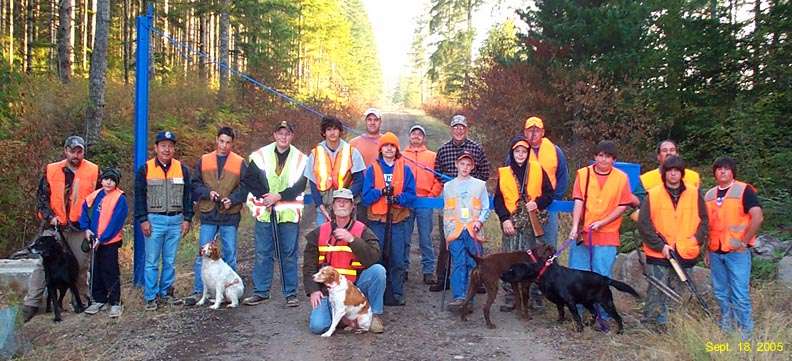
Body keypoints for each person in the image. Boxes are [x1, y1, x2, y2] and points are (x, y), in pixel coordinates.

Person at [228, 121, 308, 307]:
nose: (283, 137)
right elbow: (249, 180)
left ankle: (290, 293)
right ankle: (261, 291)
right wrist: (265, 197)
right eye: (280, 134)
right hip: (265, 212)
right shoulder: (261, 155)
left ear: (292, 136)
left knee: (288, 254)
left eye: (287, 134)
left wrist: (278, 196)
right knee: (263, 253)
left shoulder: (300, 158)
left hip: (288, 213)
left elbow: (300, 186)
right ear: (274, 135)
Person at [23, 135, 99, 322]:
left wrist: (93, 226)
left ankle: (80, 301)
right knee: (44, 265)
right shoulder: (51, 170)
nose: (76, 154)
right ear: (65, 150)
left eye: (79, 151)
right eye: (72, 151)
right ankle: (31, 304)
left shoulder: (93, 171)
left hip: (80, 227)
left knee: (81, 265)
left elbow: (100, 200)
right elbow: (41, 198)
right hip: (55, 226)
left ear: (83, 152)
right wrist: (51, 216)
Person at [568, 140, 638, 319]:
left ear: (613, 159)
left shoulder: (621, 178)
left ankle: (604, 314)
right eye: (600, 155)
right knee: (577, 272)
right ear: (595, 157)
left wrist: (603, 222)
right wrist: (575, 226)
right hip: (583, 233)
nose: (603, 160)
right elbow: (578, 201)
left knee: (601, 274)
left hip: (607, 234)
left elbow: (622, 205)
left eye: (607, 156)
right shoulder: (583, 174)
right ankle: (580, 311)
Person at [637, 155, 708, 331]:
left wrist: (696, 239)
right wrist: (661, 246)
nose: (673, 174)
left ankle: (677, 327)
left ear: (682, 173)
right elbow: (644, 224)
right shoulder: (653, 194)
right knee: (656, 291)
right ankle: (649, 326)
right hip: (659, 253)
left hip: (686, 251)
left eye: (677, 171)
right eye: (670, 171)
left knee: (682, 292)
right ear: (665, 174)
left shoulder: (694, 193)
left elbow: (705, 220)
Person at [303, 188, 386, 334]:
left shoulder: (363, 230)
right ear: (332, 206)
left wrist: (352, 240)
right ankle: (344, 317)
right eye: (338, 202)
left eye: (346, 202)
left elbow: (373, 257)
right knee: (317, 327)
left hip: (355, 286)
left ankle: (374, 315)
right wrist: (313, 290)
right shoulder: (320, 232)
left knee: (378, 271)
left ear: (352, 207)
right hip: (329, 291)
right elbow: (309, 265)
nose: (342, 205)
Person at [184, 126, 247, 306]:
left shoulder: (240, 162)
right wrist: (208, 193)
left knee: (229, 253)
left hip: (230, 213)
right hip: (209, 211)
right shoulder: (204, 160)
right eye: (221, 141)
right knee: (203, 253)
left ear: (232, 143)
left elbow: (245, 187)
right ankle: (199, 291)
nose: (224, 146)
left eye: (228, 142)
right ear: (216, 140)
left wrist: (233, 199)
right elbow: (195, 183)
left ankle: (229, 289)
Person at [704, 156, 763, 340]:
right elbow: (708, 225)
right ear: (714, 172)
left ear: (733, 172)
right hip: (715, 251)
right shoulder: (709, 195)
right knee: (721, 292)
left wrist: (744, 243)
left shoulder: (744, 190)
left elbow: (757, 217)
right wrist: (707, 249)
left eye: (727, 168)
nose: (723, 171)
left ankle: (745, 331)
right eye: (719, 168)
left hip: (736, 252)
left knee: (740, 293)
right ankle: (726, 325)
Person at [134, 130, 194, 311]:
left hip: (175, 220)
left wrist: (187, 219)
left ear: (174, 148)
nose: (166, 150)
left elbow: (188, 196)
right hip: (154, 221)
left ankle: (166, 292)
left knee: (170, 260)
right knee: (152, 261)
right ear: (156, 148)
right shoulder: (145, 169)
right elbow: (139, 197)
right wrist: (143, 219)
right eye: (163, 146)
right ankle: (151, 297)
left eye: (170, 146)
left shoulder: (182, 169)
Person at [430, 115, 490, 292]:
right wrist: (453, 186)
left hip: (472, 208)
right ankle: (444, 279)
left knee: (474, 248)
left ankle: (476, 282)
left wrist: (469, 185)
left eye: (462, 127)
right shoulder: (443, 150)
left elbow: (485, 172)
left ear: (466, 129)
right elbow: (437, 172)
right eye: (455, 127)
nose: (459, 130)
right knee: (447, 243)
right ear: (451, 129)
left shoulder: (476, 148)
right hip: (451, 201)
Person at [494, 136, 553, 312]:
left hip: (531, 224)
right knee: (508, 260)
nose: (520, 155)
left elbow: (550, 193)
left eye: (524, 151)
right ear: (512, 153)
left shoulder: (537, 169)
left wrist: (537, 203)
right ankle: (511, 297)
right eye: (517, 151)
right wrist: (504, 219)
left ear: (528, 153)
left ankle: (534, 297)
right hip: (511, 223)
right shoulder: (504, 172)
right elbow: (498, 200)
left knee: (534, 260)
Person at [362, 132, 417, 306]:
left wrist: (397, 199)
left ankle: (397, 292)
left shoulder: (405, 169)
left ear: (396, 149)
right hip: (377, 221)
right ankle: (376, 292)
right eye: (386, 145)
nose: (389, 148)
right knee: (376, 258)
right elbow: (365, 197)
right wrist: (381, 193)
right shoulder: (373, 169)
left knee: (397, 259)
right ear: (381, 149)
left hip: (398, 221)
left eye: (392, 146)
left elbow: (411, 195)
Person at [442, 152, 491, 312]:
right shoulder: (448, 187)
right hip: (455, 232)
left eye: (468, 165)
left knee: (472, 264)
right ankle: (459, 297)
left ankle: (469, 299)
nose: (465, 167)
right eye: (462, 164)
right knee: (458, 263)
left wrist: (480, 221)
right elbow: (446, 212)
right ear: (456, 165)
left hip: (473, 231)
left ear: (472, 167)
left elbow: (486, 207)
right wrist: (447, 236)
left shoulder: (480, 185)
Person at [79, 167, 129, 318]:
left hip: (110, 241)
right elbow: (84, 213)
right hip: (93, 240)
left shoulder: (120, 199)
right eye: (106, 179)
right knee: (95, 270)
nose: (108, 182)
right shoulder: (94, 196)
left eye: (112, 180)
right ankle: (98, 299)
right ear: (101, 180)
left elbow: (116, 222)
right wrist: (86, 229)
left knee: (110, 271)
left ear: (116, 183)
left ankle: (115, 302)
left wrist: (103, 239)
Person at [304, 115, 366, 225]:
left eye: (335, 129)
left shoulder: (352, 152)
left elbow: (359, 181)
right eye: (329, 129)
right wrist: (321, 207)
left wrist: (344, 200)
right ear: (324, 133)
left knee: (348, 241)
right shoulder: (315, 154)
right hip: (324, 209)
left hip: (347, 208)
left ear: (340, 131)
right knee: (324, 241)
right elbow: (313, 184)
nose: (332, 132)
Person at [402, 125, 443, 285]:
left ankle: (428, 270)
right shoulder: (402, 156)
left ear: (423, 138)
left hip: (425, 201)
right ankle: (403, 268)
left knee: (425, 238)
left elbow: (438, 179)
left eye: (420, 134)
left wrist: (432, 195)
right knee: (405, 237)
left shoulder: (432, 156)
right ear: (409, 137)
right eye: (414, 134)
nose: (417, 136)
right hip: (407, 202)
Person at [520, 116, 568, 247]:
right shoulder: (518, 151)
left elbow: (562, 176)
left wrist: (554, 199)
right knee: (526, 247)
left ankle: (549, 268)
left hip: (549, 205)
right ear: (525, 133)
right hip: (525, 207)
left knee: (548, 246)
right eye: (530, 130)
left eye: (537, 130)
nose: (534, 133)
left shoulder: (555, 150)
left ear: (543, 132)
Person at [633, 139, 702, 209]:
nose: (668, 153)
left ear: (677, 154)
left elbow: (701, 206)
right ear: (658, 156)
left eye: (672, 150)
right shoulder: (646, 179)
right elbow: (637, 207)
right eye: (664, 150)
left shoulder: (693, 177)